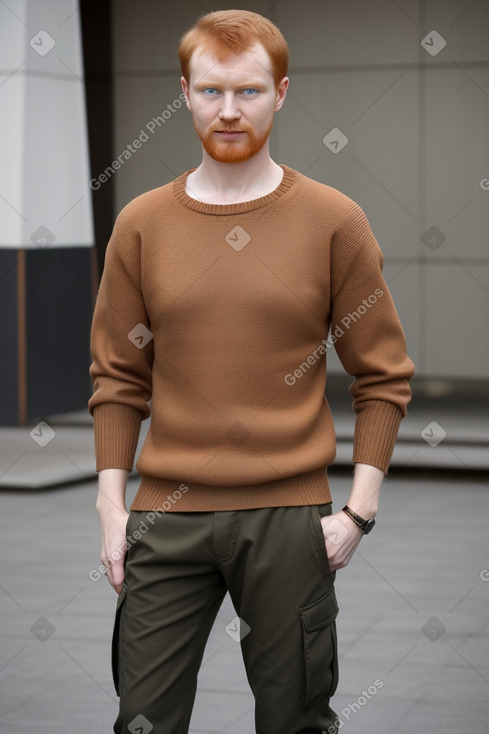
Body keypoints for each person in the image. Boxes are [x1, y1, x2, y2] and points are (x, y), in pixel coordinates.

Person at [88, 8, 415, 734]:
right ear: (184, 94)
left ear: (281, 92)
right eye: (210, 92)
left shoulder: (334, 221)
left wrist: (357, 512)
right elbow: (117, 377)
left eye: (248, 92)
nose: (228, 111)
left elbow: (383, 377)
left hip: (288, 523)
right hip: (164, 518)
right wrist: (113, 510)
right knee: (141, 719)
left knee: (295, 720)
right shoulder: (141, 224)